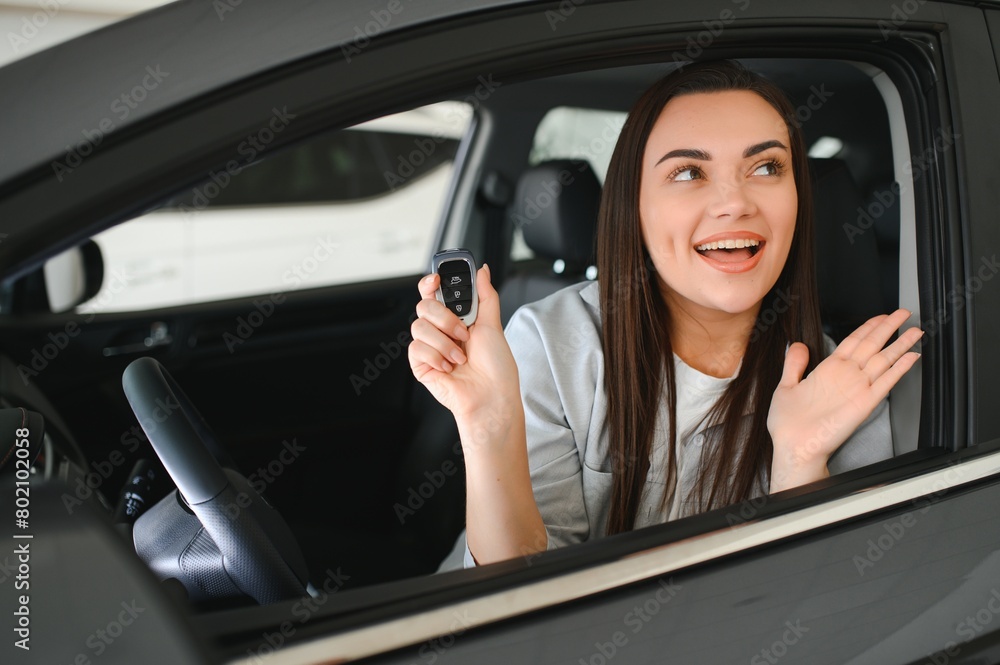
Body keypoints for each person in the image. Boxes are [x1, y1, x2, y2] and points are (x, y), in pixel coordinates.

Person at [408, 60, 923, 567]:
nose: (734, 203)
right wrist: (488, 423)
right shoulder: (553, 342)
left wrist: (798, 460)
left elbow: (825, 620)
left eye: (766, 167)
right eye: (689, 172)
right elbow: (519, 598)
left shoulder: (843, 384)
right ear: (635, 205)